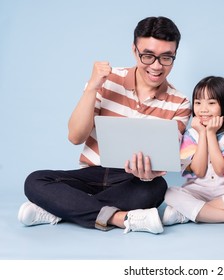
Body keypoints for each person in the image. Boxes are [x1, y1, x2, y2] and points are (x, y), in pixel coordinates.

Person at [17, 16, 191, 234]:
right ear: (134, 50)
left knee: (156, 188)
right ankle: (119, 218)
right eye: (148, 56)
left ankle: (58, 210)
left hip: (133, 181)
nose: (156, 66)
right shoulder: (107, 80)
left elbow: (167, 156)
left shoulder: (181, 102)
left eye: (166, 58)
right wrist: (92, 87)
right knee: (35, 180)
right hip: (92, 174)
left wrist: (150, 173)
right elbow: (75, 137)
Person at [162, 76, 224, 226]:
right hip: (196, 192)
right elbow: (199, 171)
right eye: (198, 103)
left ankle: (188, 213)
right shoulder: (190, 134)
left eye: (211, 103)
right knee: (170, 193)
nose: (203, 109)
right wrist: (202, 134)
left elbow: (220, 168)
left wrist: (210, 133)